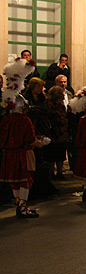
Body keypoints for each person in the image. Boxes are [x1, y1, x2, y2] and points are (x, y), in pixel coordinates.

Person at [0, 58, 49, 218]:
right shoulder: (24, 120)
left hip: (9, 154)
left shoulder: (6, 120)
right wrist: (41, 143)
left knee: (14, 181)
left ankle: (19, 206)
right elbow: (30, 139)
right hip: (23, 154)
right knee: (25, 181)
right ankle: (23, 207)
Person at [42, 86, 70, 180]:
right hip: (53, 132)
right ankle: (51, 173)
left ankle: (59, 172)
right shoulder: (49, 105)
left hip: (61, 133)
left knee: (60, 154)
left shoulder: (61, 105)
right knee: (51, 154)